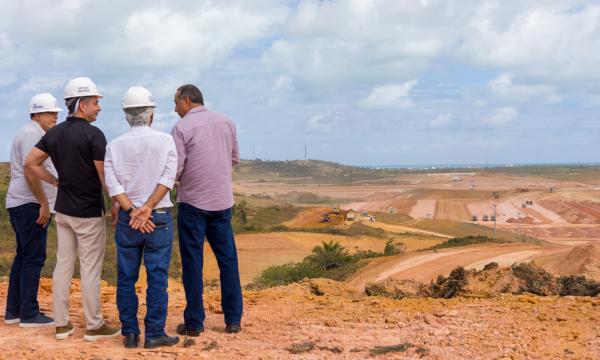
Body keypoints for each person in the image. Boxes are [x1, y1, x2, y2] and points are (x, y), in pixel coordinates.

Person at [25, 77, 120, 341]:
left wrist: (55, 181)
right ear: (82, 104)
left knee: (63, 266)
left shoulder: (54, 134)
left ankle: (62, 325)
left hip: (63, 210)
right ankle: (94, 325)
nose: (99, 108)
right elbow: (104, 178)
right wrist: (115, 204)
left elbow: (31, 163)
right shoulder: (94, 135)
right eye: (96, 103)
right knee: (90, 269)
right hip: (88, 212)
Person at [104, 86, 179, 349]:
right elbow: (168, 178)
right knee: (157, 277)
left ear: (126, 115)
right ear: (151, 114)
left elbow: (112, 185)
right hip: (157, 218)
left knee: (126, 278)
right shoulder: (165, 140)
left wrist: (133, 210)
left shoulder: (114, 145)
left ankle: (130, 334)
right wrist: (147, 207)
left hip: (128, 220)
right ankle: (155, 333)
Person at [171, 84, 242, 336]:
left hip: (193, 203)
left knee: (192, 262)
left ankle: (194, 323)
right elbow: (234, 159)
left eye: (176, 102)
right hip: (222, 201)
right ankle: (233, 320)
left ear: (187, 101)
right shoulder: (227, 122)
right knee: (228, 262)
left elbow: (176, 168)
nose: (175, 108)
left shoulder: (181, 128)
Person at [4, 93, 61, 328]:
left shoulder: (32, 132)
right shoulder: (32, 134)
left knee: (24, 256)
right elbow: (30, 171)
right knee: (34, 258)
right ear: (37, 114)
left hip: (22, 203)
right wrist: (44, 204)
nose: (55, 116)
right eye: (50, 113)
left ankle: (14, 311)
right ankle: (29, 313)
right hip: (30, 205)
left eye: (56, 112)